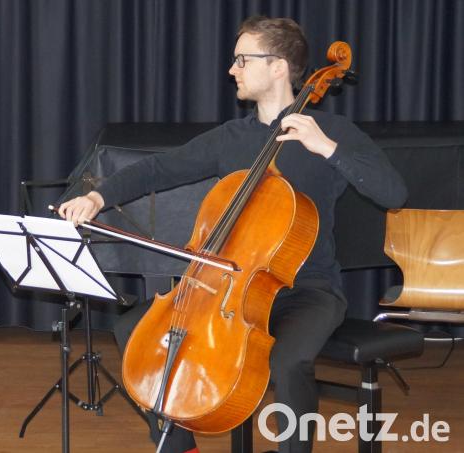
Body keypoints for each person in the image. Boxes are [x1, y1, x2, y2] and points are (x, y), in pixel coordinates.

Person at [59, 16, 407, 453]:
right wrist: (99, 197)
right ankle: (180, 446)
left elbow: (394, 191)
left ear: (278, 66)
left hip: (307, 292)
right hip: (226, 288)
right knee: (135, 331)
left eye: (243, 60)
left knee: (289, 360)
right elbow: (157, 169)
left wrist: (329, 150)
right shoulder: (231, 138)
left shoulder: (330, 133)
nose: (232, 69)